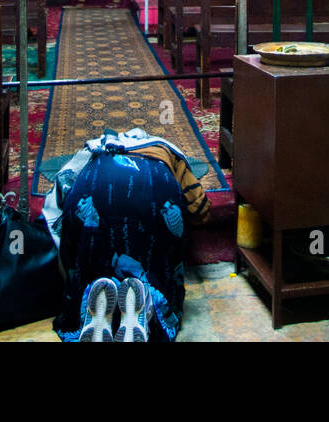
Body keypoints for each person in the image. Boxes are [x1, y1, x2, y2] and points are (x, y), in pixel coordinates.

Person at [45, 128, 209, 342]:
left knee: (86, 236)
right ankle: (145, 305)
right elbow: (200, 211)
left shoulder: (94, 148)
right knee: (162, 252)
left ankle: (94, 299)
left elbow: (63, 191)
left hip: (95, 185)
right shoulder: (166, 150)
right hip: (154, 189)